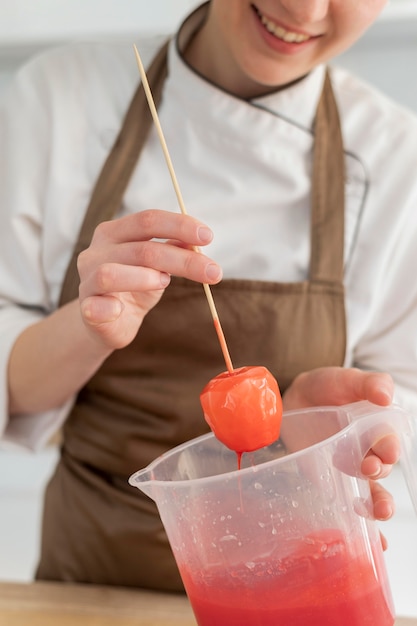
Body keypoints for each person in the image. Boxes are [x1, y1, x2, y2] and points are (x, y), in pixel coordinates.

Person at [0, 0, 416, 591]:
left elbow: (402, 405)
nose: (306, 8)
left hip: (292, 582)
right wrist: (89, 324)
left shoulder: (398, 159)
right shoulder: (59, 98)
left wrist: (323, 432)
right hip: (92, 585)